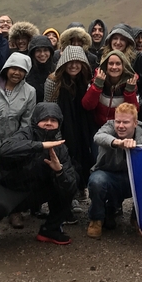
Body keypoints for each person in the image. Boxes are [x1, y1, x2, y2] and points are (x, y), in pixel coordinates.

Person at [0, 102, 79, 245]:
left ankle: (51, 229)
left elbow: (70, 185)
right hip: (8, 187)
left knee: (69, 182)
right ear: (36, 120)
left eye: (53, 120)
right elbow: (4, 150)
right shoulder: (25, 133)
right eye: (44, 119)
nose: (49, 123)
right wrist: (40, 146)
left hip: (32, 193)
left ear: (59, 123)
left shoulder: (60, 148)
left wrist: (59, 171)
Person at [88, 102, 142, 239]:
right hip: (107, 175)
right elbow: (98, 137)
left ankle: (138, 218)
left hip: (133, 179)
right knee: (96, 181)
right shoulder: (108, 127)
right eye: (118, 121)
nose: (120, 126)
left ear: (135, 123)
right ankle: (96, 218)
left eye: (125, 122)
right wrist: (117, 143)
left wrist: (138, 146)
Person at [45, 46, 96, 224]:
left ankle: (79, 188)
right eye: (70, 62)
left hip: (80, 127)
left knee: (82, 157)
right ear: (63, 63)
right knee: (66, 161)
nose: (74, 65)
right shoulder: (53, 81)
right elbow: (49, 107)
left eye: (78, 62)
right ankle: (68, 199)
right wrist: (55, 134)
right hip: (62, 126)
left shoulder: (85, 81)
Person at [0, 53, 36, 150]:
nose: (17, 73)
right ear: (6, 69)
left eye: (21, 70)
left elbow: (26, 120)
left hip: (11, 143)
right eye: (14, 68)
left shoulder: (30, 91)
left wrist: (18, 140)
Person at [83, 50, 139, 127]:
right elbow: (87, 105)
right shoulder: (97, 80)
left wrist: (129, 93)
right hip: (97, 126)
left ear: (124, 66)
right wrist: (97, 86)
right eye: (111, 63)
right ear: (106, 65)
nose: (114, 67)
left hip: (120, 128)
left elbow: (134, 112)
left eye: (118, 64)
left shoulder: (131, 82)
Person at [25, 33, 56, 101]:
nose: (42, 54)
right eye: (38, 51)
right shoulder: (26, 71)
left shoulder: (56, 71)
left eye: (45, 50)